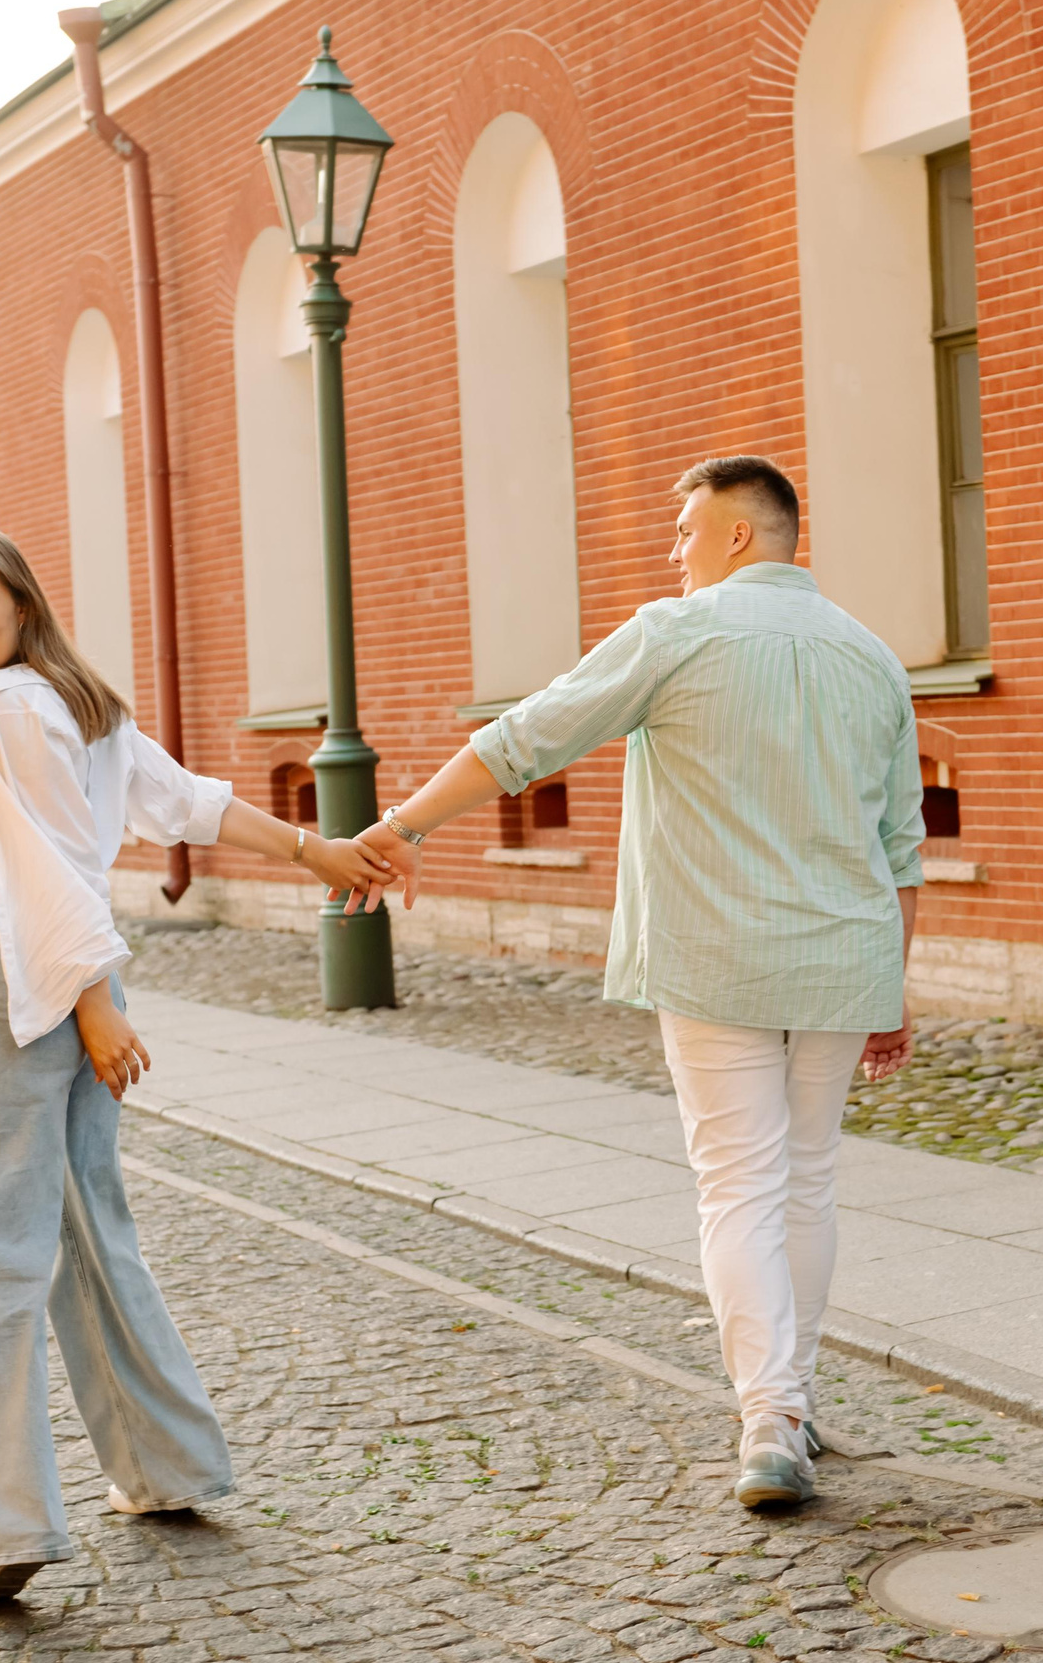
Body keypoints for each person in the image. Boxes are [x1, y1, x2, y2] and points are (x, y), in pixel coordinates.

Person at [348, 455, 922, 1509]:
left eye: (687, 530)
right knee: (807, 1178)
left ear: (740, 534)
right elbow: (902, 846)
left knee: (739, 1184)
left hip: (716, 958)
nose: (675, 551)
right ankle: (788, 1394)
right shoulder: (874, 657)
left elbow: (526, 737)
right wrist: (893, 985)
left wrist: (400, 825)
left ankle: (769, 1422)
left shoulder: (678, 632)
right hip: (845, 955)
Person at [0, 522, 391, 1602]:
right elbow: (184, 800)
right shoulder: (76, 698)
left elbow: (46, 862)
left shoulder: (6, 705)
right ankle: (163, 1466)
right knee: (84, 1222)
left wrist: (93, 1000)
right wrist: (316, 849)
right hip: (74, 960)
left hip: (18, 957)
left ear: (18, 597)